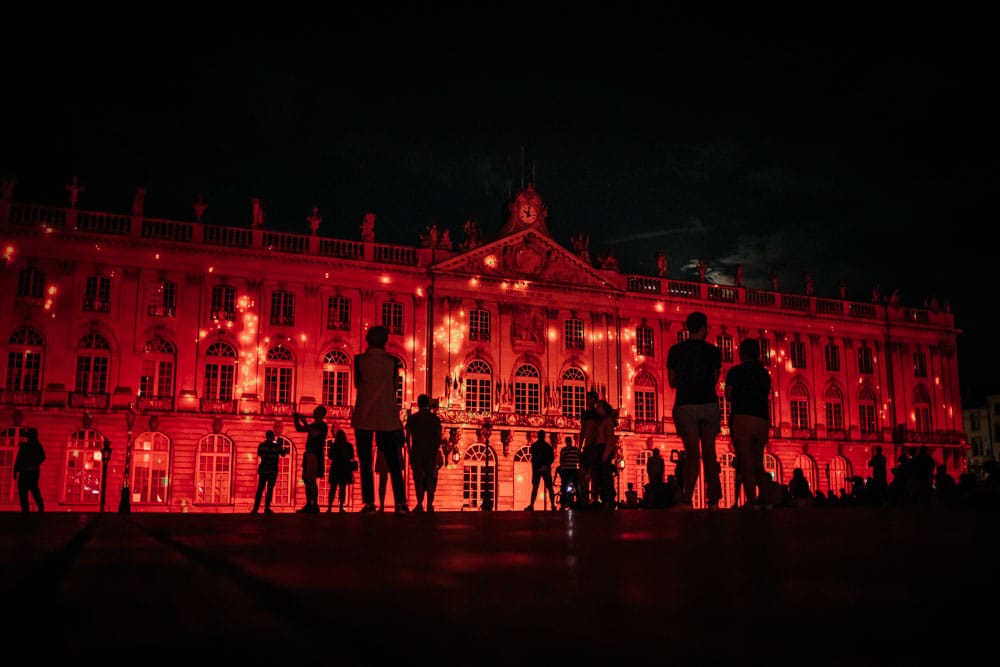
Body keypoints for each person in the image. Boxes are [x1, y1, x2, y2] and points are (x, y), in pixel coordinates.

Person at [667, 311, 723, 510]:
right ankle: (714, 501)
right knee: (710, 453)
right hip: (708, 404)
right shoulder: (713, 351)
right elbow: (715, 379)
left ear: (687, 327)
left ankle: (687, 499)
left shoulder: (676, 351)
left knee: (692, 454)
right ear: (705, 329)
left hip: (686, 404)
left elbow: (672, 381)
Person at [351, 325, 408, 514]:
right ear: (385, 341)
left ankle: (369, 502)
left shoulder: (359, 360)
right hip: (387, 415)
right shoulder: (393, 361)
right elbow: (394, 387)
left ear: (368, 340)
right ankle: (400, 503)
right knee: (393, 462)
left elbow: (358, 384)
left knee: (366, 462)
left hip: (364, 415)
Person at [725, 338, 772, 510]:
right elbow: (765, 393)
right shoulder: (764, 374)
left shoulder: (735, 372)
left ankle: (753, 502)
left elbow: (729, 395)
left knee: (746, 463)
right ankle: (767, 501)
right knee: (759, 463)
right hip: (762, 419)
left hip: (743, 417)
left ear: (741, 353)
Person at [406, 393, 443, 513]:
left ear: (418, 403)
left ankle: (420, 505)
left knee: (418, 480)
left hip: (417, 451)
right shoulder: (435, 419)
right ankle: (429, 506)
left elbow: (407, 436)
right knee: (429, 479)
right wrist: (435, 448)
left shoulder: (413, 418)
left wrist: (409, 449)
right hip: (430, 452)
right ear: (428, 404)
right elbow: (439, 437)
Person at [294, 405, 328, 513]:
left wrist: (304, 422)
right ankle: (309, 504)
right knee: (307, 480)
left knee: (312, 480)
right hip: (309, 454)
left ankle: (314, 504)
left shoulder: (323, 425)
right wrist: (295, 419)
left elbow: (314, 433)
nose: (314, 412)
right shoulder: (313, 425)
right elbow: (299, 429)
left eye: (317, 411)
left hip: (315, 455)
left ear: (321, 414)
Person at [250, 429, 287, 514]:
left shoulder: (261, 445)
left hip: (263, 470)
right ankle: (267, 508)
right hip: (273, 470)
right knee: (269, 490)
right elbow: (283, 454)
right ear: (273, 437)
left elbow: (259, 454)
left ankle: (255, 508)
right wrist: (279, 445)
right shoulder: (276, 446)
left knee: (260, 489)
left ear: (266, 436)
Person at [14, 427, 45, 513]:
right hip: (29, 471)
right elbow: (19, 459)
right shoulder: (34, 446)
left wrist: (16, 470)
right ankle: (29, 509)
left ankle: (31, 509)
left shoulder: (34, 446)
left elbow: (19, 459)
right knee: (28, 491)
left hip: (29, 471)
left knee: (30, 490)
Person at [525, 429, 556, 511]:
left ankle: (531, 505)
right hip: (546, 468)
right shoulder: (548, 446)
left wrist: (537, 468)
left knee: (535, 488)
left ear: (538, 436)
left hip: (537, 469)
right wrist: (546, 465)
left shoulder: (534, 446)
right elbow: (552, 458)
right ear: (544, 436)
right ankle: (553, 505)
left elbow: (534, 459)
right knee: (549, 487)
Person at [327, 429, 356, 513]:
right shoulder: (348, 446)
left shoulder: (334, 445)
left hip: (335, 467)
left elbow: (330, 456)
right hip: (344, 468)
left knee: (333, 488)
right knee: (342, 489)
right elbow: (351, 457)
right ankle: (340, 507)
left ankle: (329, 507)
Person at [556, 436, 581, 508]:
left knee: (564, 486)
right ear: (571, 441)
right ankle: (579, 501)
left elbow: (561, 461)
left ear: (566, 442)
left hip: (566, 470)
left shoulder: (563, 450)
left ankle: (563, 502)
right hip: (573, 469)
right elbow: (578, 460)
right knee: (576, 485)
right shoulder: (575, 450)